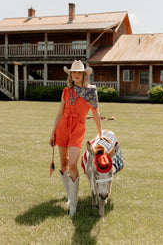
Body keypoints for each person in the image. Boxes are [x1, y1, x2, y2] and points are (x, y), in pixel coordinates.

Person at [49, 60, 106, 216]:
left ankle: (73, 206)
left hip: (78, 128)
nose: (76, 75)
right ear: (71, 75)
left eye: (79, 72)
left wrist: (100, 133)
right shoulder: (66, 91)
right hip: (63, 127)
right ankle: (70, 196)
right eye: (73, 72)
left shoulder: (91, 92)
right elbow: (60, 113)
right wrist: (53, 132)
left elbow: (95, 112)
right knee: (64, 163)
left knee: (73, 163)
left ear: (83, 74)